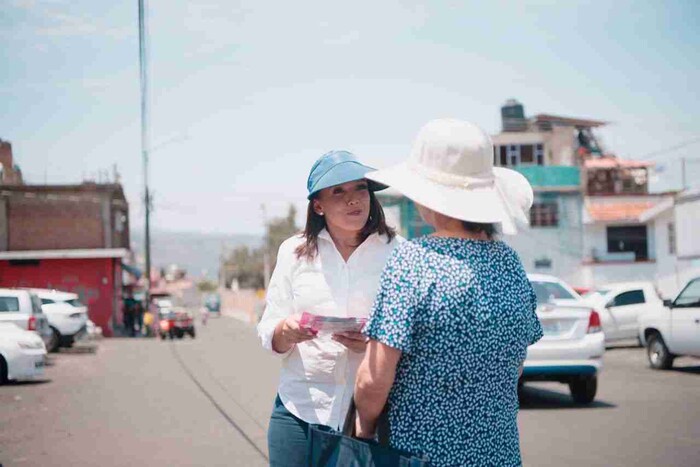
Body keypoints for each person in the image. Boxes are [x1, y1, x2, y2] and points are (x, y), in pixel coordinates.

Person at [353, 119, 543, 467]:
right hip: (499, 453)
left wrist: (363, 428)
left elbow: (373, 379)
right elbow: (514, 366)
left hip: (420, 456)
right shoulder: (511, 264)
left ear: (431, 199)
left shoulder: (412, 262)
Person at [256, 150, 402, 467]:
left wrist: (374, 343)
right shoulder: (293, 252)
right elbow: (269, 331)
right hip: (297, 412)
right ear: (318, 205)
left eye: (360, 188)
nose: (353, 200)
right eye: (339, 191)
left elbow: (414, 337)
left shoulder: (399, 254)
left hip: (368, 418)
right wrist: (288, 331)